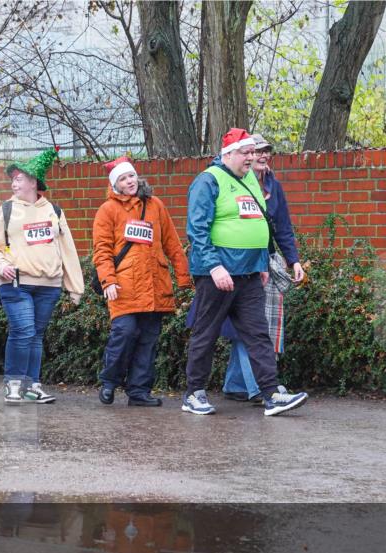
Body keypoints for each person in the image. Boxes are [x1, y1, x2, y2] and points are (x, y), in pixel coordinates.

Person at [183, 127, 308, 417]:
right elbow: (197, 230)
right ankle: (194, 393)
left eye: (253, 152)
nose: (252, 157)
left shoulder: (250, 179)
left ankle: (271, 393)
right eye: (246, 152)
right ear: (228, 154)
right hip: (218, 273)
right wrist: (214, 267)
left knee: (257, 334)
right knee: (206, 333)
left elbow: (259, 223)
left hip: (250, 273)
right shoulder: (208, 181)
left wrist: (262, 262)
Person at [0, 147, 84, 404]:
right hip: (16, 283)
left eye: (18, 178)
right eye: (12, 179)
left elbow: (67, 249)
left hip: (49, 285)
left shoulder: (54, 211)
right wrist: (0, 266)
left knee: (36, 335)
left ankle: (32, 385)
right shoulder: (5, 210)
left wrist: (75, 287)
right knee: (24, 331)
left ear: (32, 181)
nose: (13, 183)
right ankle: (14, 383)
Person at [93, 157, 191, 407]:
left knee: (148, 340)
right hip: (123, 286)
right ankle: (110, 381)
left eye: (132, 176)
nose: (130, 181)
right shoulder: (108, 210)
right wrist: (108, 281)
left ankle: (138, 391)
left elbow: (172, 243)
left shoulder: (155, 205)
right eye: (123, 178)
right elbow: (102, 250)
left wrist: (184, 278)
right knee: (124, 333)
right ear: (115, 184)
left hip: (155, 284)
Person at [221, 134, 306, 402]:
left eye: (267, 151)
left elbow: (282, 226)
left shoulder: (273, 186)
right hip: (237, 262)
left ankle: (236, 385)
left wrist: (293, 261)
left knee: (258, 326)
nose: (262, 155)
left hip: (267, 261)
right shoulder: (231, 183)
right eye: (257, 150)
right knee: (251, 325)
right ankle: (261, 387)